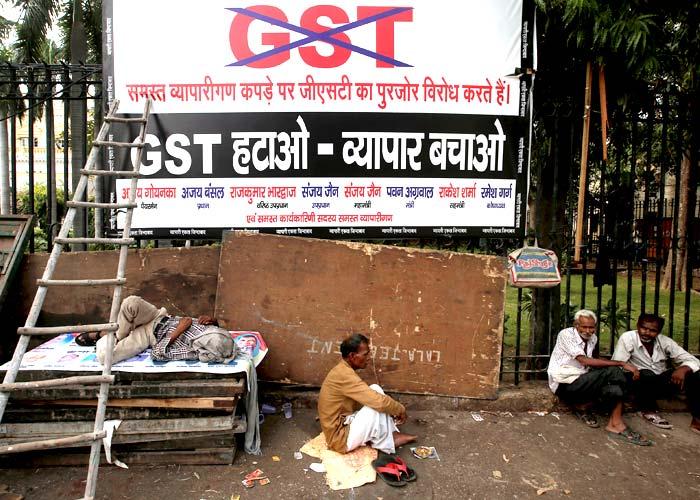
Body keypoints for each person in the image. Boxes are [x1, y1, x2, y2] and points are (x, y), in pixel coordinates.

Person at [547, 309, 652, 445]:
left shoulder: (593, 338)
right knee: (614, 371)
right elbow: (585, 360)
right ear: (576, 325)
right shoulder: (566, 334)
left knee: (614, 389)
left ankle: (615, 424)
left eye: (591, 327)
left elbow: (595, 359)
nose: (588, 330)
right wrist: (620, 363)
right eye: (584, 326)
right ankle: (619, 407)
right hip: (565, 385)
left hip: (584, 380)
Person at [318, 333, 417, 454]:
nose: (369, 357)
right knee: (377, 405)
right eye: (365, 354)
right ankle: (386, 442)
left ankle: (391, 434)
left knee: (375, 389)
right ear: (352, 356)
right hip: (340, 439)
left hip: (346, 421)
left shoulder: (343, 370)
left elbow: (371, 398)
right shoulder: (343, 375)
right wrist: (400, 409)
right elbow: (379, 402)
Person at [75, 295, 236, 365]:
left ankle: (106, 336)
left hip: (150, 336)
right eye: (213, 331)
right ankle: (118, 335)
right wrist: (213, 321)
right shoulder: (215, 332)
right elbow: (216, 327)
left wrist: (177, 332)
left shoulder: (194, 351)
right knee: (131, 302)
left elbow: (157, 353)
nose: (206, 332)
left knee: (106, 357)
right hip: (159, 316)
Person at [612, 312, 700, 433]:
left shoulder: (665, 341)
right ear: (638, 326)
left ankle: (697, 419)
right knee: (646, 374)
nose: (646, 333)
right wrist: (633, 369)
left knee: (694, 373)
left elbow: (693, 360)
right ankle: (647, 411)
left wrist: (683, 369)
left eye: (652, 330)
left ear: (658, 332)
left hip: (660, 381)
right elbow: (618, 364)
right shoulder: (628, 338)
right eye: (643, 328)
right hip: (637, 381)